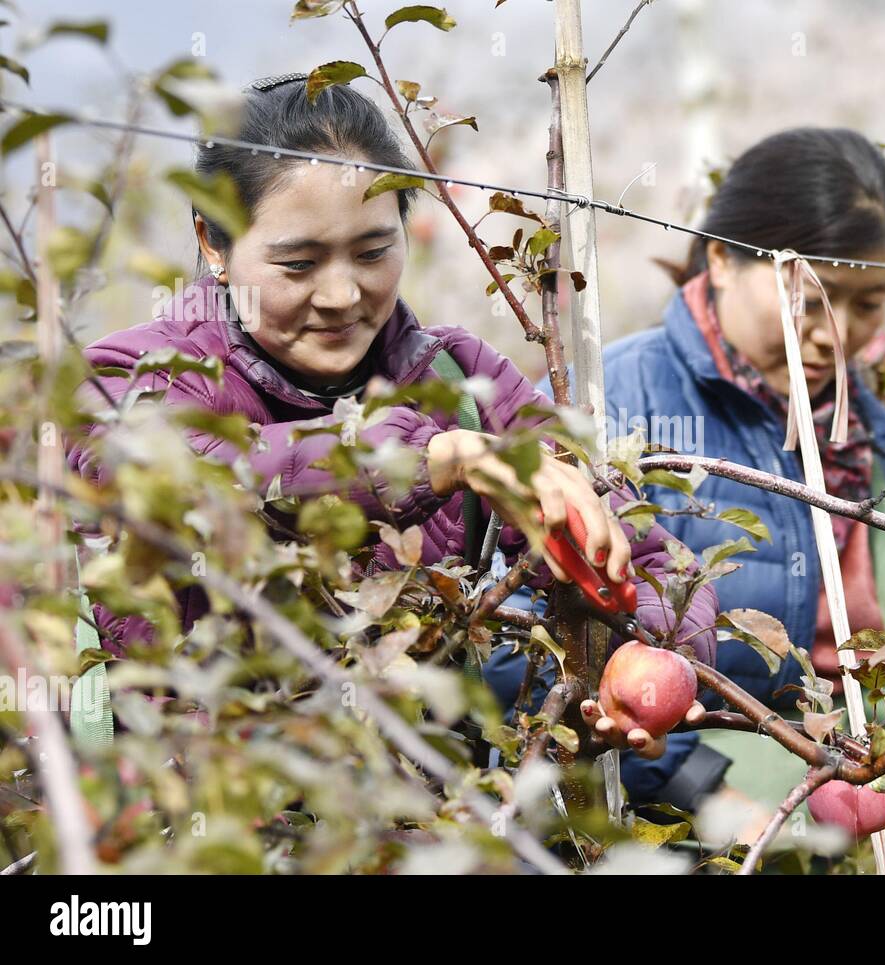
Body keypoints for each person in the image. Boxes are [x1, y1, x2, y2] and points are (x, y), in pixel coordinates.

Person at [65, 73, 716, 757]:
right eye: (298, 263)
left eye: (374, 252)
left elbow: (646, 559)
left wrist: (640, 655)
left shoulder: (460, 378)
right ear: (213, 243)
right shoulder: (131, 378)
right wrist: (425, 458)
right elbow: (184, 475)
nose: (344, 293)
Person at [490, 127, 885, 814]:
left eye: (867, 304)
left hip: (856, 834)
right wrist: (703, 795)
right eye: (812, 297)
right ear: (720, 260)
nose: (836, 333)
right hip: (676, 837)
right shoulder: (618, 403)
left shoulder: (874, 437)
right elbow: (518, 648)